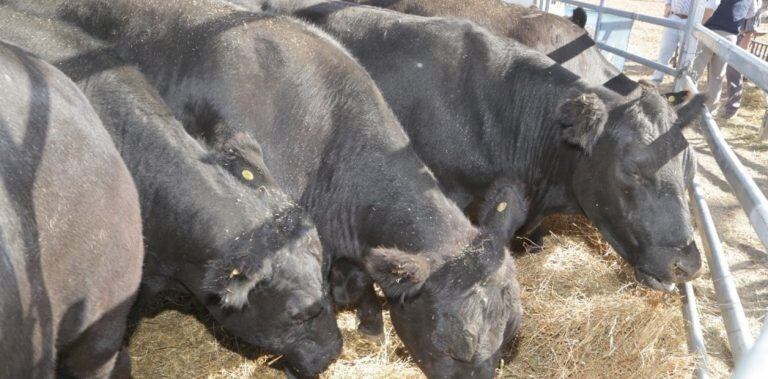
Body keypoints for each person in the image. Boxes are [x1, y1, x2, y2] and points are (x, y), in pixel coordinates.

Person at [690, 0, 753, 114]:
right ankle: (710, 111)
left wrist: (700, 26)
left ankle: (686, 103)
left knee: (695, 70)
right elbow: (750, 13)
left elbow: (711, 6)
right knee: (717, 76)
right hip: (729, 36)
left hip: (709, 31)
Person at [651, 0, 719, 85]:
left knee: (686, 57)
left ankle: (680, 86)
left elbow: (712, 4)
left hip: (691, 20)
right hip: (674, 16)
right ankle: (655, 81)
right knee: (665, 51)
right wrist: (667, 4)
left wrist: (699, 23)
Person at [723, 0, 763, 118]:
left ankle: (732, 108)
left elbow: (752, 14)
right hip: (728, 31)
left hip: (743, 33)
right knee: (724, 68)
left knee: (734, 68)